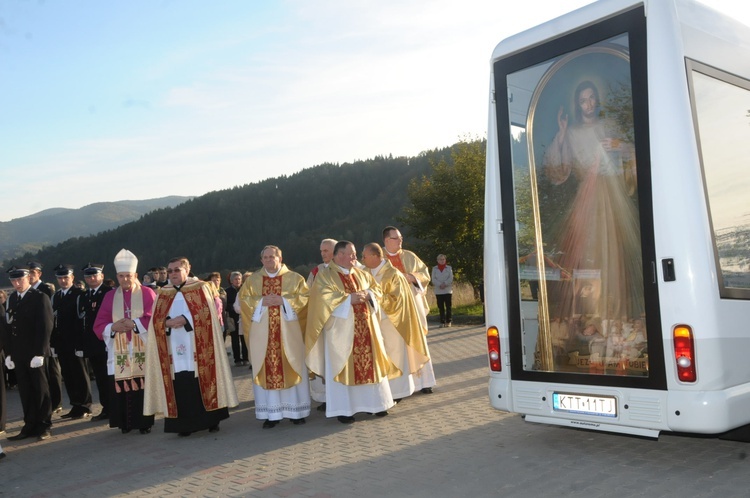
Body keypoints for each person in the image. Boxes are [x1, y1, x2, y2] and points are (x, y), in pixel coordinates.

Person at [543, 79, 643, 321]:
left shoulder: (609, 125)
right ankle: (590, 316)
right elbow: (559, 171)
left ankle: (616, 316)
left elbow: (633, 152)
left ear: (596, 99)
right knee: (589, 253)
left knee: (615, 253)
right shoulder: (573, 133)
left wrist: (620, 146)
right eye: (582, 100)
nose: (588, 104)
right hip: (586, 200)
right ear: (578, 105)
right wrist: (562, 132)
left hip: (612, 196)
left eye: (591, 98)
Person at [306, 241, 399, 424]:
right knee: (344, 368)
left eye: (355, 254)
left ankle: (377, 405)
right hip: (342, 335)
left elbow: (377, 291)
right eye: (352, 254)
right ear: (339, 255)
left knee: (371, 366)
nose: (355, 258)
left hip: (367, 331)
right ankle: (345, 409)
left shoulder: (362, 273)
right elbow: (320, 301)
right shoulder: (325, 276)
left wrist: (368, 295)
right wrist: (349, 299)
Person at [144, 257, 238, 436]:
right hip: (173, 346)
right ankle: (183, 425)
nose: (173, 274)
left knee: (201, 380)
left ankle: (211, 420)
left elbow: (207, 313)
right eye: (170, 271)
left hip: (197, 344)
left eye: (177, 270)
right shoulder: (163, 293)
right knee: (179, 383)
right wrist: (166, 322)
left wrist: (186, 319)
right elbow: (155, 319)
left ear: (187, 270)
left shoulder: (201, 288)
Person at [239, 245, 310, 428]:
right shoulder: (253, 281)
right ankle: (273, 414)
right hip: (263, 338)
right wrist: (261, 301)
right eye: (266, 257)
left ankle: (296, 411)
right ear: (261, 260)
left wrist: (284, 301)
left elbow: (306, 299)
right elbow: (243, 302)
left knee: (292, 366)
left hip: (289, 337)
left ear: (280, 258)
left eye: (273, 256)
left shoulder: (295, 278)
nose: (270, 260)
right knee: (267, 369)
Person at [93, 249, 156, 434]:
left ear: (135, 275)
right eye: (121, 276)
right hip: (118, 349)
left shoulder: (147, 293)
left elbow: (154, 318)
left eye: (128, 276)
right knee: (119, 385)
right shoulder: (110, 296)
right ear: (117, 277)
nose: (125, 280)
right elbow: (99, 323)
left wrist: (134, 323)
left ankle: (144, 423)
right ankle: (124, 422)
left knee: (141, 384)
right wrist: (112, 328)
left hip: (140, 347)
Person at [362, 243, 431, 401]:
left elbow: (397, 301)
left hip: (393, 323)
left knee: (395, 354)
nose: (362, 259)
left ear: (374, 256)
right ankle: (382, 391)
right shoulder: (364, 272)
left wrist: (373, 297)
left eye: (364, 256)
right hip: (373, 322)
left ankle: (398, 392)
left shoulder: (393, 274)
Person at [3, 265, 54, 441]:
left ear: (28, 279)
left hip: (35, 353)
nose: (17, 283)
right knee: (25, 390)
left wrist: (40, 353)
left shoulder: (39, 297)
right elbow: (8, 328)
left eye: (20, 280)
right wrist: (8, 354)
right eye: (14, 280)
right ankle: (30, 424)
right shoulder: (12, 299)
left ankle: (44, 425)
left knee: (40, 389)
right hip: (18, 353)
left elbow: (45, 327)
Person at [382, 226, 435, 394]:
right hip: (392, 312)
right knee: (395, 347)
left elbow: (425, 273)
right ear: (386, 240)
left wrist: (412, 277)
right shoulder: (379, 259)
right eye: (396, 238)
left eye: (401, 238)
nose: (400, 241)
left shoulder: (409, 256)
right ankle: (400, 388)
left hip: (412, 308)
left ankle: (424, 382)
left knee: (418, 341)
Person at [51, 264, 93, 419]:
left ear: (72, 278)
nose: (62, 280)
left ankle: (85, 406)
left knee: (80, 374)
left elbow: (82, 321)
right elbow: (53, 322)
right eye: (60, 278)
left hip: (75, 342)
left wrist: (81, 344)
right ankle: (75, 405)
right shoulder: (56, 296)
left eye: (65, 277)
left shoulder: (79, 294)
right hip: (62, 343)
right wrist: (53, 344)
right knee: (68, 375)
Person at [78, 262, 114, 421]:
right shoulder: (84, 296)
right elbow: (82, 322)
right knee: (99, 377)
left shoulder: (110, 293)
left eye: (95, 275)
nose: (92, 278)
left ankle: (114, 407)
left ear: (102, 276)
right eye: (88, 276)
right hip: (93, 344)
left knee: (110, 377)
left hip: (107, 342)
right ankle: (106, 407)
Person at [306, 238, 337, 410]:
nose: (323, 254)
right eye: (321, 251)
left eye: (327, 250)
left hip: (341, 324)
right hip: (322, 325)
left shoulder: (348, 269)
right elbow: (307, 294)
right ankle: (326, 397)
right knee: (324, 359)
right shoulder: (316, 271)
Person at [27, 261, 61, 412]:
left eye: (32, 273)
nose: (30, 276)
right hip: (33, 339)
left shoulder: (44, 289)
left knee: (52, 371)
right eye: (28, 273)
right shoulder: (27, 291)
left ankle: (56, 402)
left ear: (39, 274)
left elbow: (48, 316)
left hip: (47, 338)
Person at [225, 271, 249, 366]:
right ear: (231, 281)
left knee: (244, 339)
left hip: (244, 317)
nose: (238, 281)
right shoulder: (227, 291)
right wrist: (234, 308)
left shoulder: (245, 290)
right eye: (235, 279)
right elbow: (226, 305)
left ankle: (246, 358)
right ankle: (237, 359)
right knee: (235, 339)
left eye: (239, 279)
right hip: (233, 318)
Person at [432, 254, 453, 328]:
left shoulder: (449, 268)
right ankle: (442, 321)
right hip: (439, 290)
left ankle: (448, 321)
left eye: (443, 259)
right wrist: (440, 284)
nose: (442, 261)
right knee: (441, 307)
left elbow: (450, 278)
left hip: (447, 290)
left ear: (445, 260)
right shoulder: (434, 269)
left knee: (448, 306)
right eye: (440, 259)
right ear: (437, 260)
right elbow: (433, 279)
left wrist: (445, 284)